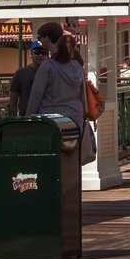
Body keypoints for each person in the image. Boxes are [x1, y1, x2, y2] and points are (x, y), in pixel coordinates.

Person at [26, 24, 96, 165]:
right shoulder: (77, 67)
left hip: (51, 121)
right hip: (74, 120)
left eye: (40, 38)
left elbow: (36, 96)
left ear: (47, 39)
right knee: (71, 162)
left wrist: (28, 121)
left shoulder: (47, 67)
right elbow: (82, 96)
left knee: (52, 163)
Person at [9, 42, 49, 114]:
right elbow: (13, 100)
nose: (40, 55)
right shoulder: (20, 73)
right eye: (37, 52)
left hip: (47, 118)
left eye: (44, 53)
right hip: (26, 117)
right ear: (31, 54)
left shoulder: (52, 73)